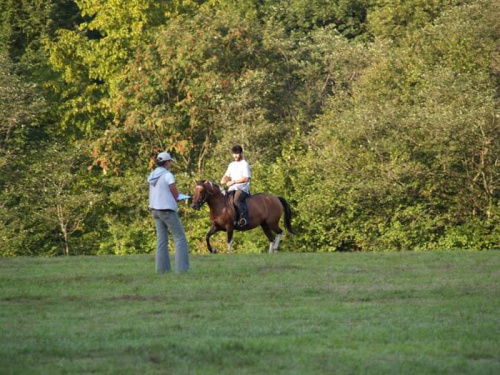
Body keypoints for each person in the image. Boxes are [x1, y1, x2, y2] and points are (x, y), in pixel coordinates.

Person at [148, 151, 189, 274]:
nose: (170, 164)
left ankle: (162, 270)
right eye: (170, 161)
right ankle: (182, 270)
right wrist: (179, 198)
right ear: (166, 162)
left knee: (161, 240)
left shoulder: (153, 174)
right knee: (180, 238)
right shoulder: (168, 175)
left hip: (155, 210)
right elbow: (174, 192)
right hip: (167, 210)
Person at [220, 145, 251, 227]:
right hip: (232, 188)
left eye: (237, 153)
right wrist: (223, 179)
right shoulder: (231, 164)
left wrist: (233, 182)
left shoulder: (244, 164)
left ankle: (245, 219)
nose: (235, 156)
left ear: (241, 153)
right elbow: (226, 175)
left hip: (242, 188)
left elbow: (246, 178)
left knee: (236, 200)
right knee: (224, 200)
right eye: (234, 154)